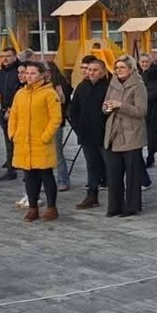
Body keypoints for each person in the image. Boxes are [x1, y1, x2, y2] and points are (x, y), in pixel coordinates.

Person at [9, 61, 62, 221]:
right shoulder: (20, 94)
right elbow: (13, 115)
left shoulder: (49, 93)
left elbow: (56, 118)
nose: (29, 76)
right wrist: (13, 134)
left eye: (33, 73)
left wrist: (45, 136)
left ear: (42, 75)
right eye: (27, 73)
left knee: (46, 175)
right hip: (23, 142)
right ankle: (33, 207)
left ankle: (51, 207)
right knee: (29, 176)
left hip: (41, 142)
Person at [102, 56, 147, 218]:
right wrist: (107, 108)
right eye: (116, 68)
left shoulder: (138, 85)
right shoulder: (113, 83)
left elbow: (141, 111)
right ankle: (114, 206)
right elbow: (105, 105)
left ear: (131, 69)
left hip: (131, 133)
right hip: (113, 132)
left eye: (122, 67)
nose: (118, 70)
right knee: (113, 172)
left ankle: (132, 206)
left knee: (132, 174)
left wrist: (121, 106)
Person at [69, 56, 110, 209]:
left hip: (104, 135)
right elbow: (73, 110)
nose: (91, 73)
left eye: (95, 70)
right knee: (91, 166)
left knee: (110, 166)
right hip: (86, 135)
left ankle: (116, 197)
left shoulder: (109, 88)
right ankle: (92, 196)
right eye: (89, 70)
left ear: (103, 72)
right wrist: (78, 128)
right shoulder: (82, 87)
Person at [0, 47, 23, 180]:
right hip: (5, 113)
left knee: (22, 142)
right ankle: (11, 169)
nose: (5, 59)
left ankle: (27, 169)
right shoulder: (0, 74)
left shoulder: (20, 71)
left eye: (8, 56)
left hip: (20, 112)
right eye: (3, 56)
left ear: (15, 56)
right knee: (9, 142)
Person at [46, 62, 73, 192]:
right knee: (47, 153)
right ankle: (49, 182)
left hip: (56, 123)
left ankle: (63, 180)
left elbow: (62, 103)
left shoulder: (59, 86)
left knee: (57, 152)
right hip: (44, 123)